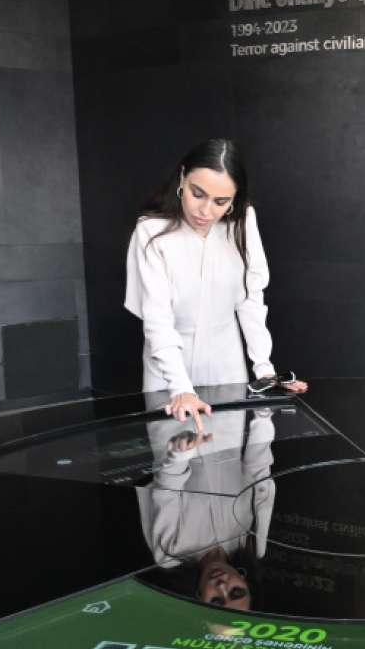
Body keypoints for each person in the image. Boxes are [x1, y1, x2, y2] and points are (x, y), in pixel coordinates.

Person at [124, 137, 307, 433]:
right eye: (197, 194)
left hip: (228, 368)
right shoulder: (151, 231)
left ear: (234, 199)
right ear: (182, 178)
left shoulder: (242, 222)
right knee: (175, 453)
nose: (205, 211)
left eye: (221, 202)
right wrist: (181, 388)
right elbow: (157, 319)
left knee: (226, 455)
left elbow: (250, 300)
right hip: (168, 371)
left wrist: (265, 370)